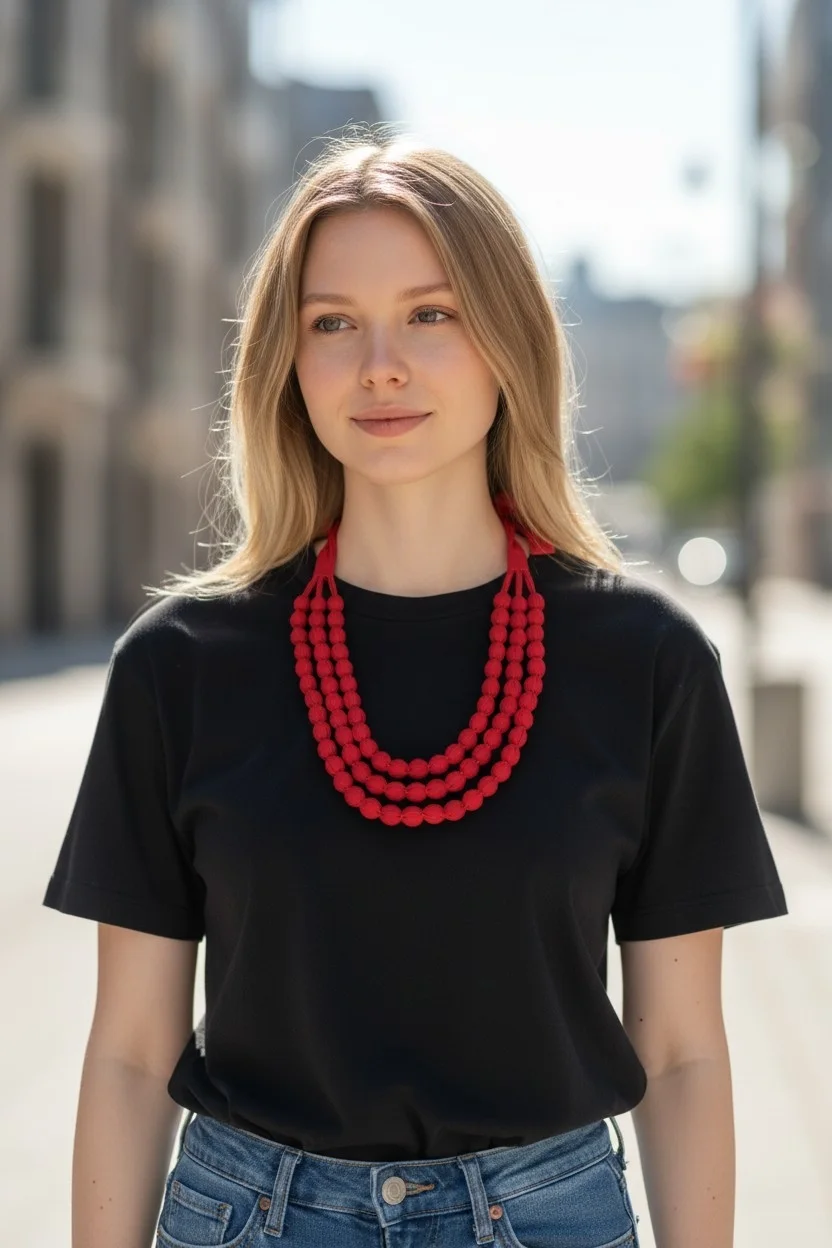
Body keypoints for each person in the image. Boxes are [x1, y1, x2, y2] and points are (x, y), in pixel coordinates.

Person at [43, 128, 788, 1248]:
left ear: (507, 341)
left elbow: (681, 1052)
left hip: (549, 1219)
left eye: (430, 314)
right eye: (332, 323)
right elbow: (130, 1052)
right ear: (287, 363)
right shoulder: (178, 664)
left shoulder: (647, 661)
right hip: (249, 1217)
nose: (379, 365)